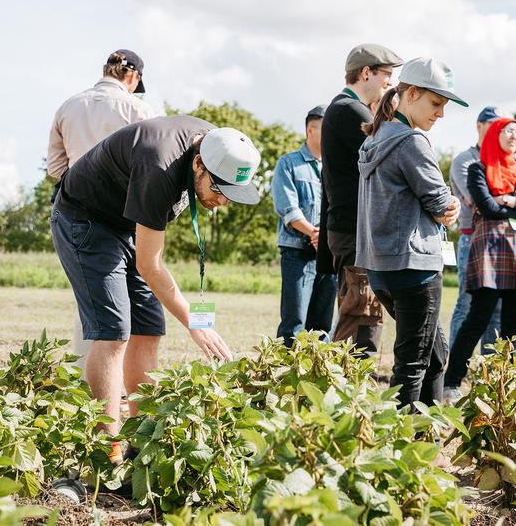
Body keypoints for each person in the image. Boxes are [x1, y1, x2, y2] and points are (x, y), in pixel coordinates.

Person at [51, 116, 260, 462]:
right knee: (114, 333)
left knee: (148, 328)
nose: (223, 203)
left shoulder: (216, 144)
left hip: (124, 225)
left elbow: (150, 254)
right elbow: (150, 265)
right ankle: (107, 453)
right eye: (220, 191)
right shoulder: (159, 165)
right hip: (85, 221)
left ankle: (142, 441)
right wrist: (196, 323)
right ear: (198, 165)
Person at [355, 57, 464, 409]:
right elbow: (440, 204)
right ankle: (404, 449)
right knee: (412, 364)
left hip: (381, 268)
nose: (440, 114)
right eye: (436, 104)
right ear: (412, 93)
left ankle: (425, 438)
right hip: (416, 266)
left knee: (434, 355)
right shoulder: (412, 142)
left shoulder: (375, 137)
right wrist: (452, 205)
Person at [47, 49, 156, 376]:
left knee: (93, 299)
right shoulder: (137, 107)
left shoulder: (68, 105)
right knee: (120, 309)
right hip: (122, 216)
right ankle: (111, 383)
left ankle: (84, 375)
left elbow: (55, 168)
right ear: (133, 77)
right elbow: (151, 165)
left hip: (75, 212)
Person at [443, 118, 516, 400]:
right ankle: (452, 382)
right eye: (508, 130)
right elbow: (485, 206)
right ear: (495, 134)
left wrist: (510, 201)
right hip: (490, 247)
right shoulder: (478, 168)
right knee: (479, 315)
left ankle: (508, 385)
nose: (515, 136)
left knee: (514, 322)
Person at [319, 43, 403, 354]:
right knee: (361, 316)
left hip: (351, 230)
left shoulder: (343, 108)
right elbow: (392, 154)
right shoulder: (348, 110)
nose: (390, 83)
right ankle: (345, 393)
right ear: (366, 72)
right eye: (387, 75)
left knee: (363, 313)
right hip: (355, 232)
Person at [271, 106, 337, 347]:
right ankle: (287, 377)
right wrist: (314, 233)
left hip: (328, 253)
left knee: (322, 324)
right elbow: (288, 209)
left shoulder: (335, 166)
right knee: (294, 322)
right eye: (327, 128)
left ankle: (315, 378)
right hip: (297, 253)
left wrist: (328, 238)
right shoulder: (288, 164)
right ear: (311, 129)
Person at [448, 106, 502, 354]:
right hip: (472, 239)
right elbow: (477, 201)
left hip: (500, 240)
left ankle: (489, 367)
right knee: (467, 303)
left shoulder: (505, 161)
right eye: (492, 124)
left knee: (496, 307)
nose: (496, 130)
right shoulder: (465, 160)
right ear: (479, 126)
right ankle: (456, 362)